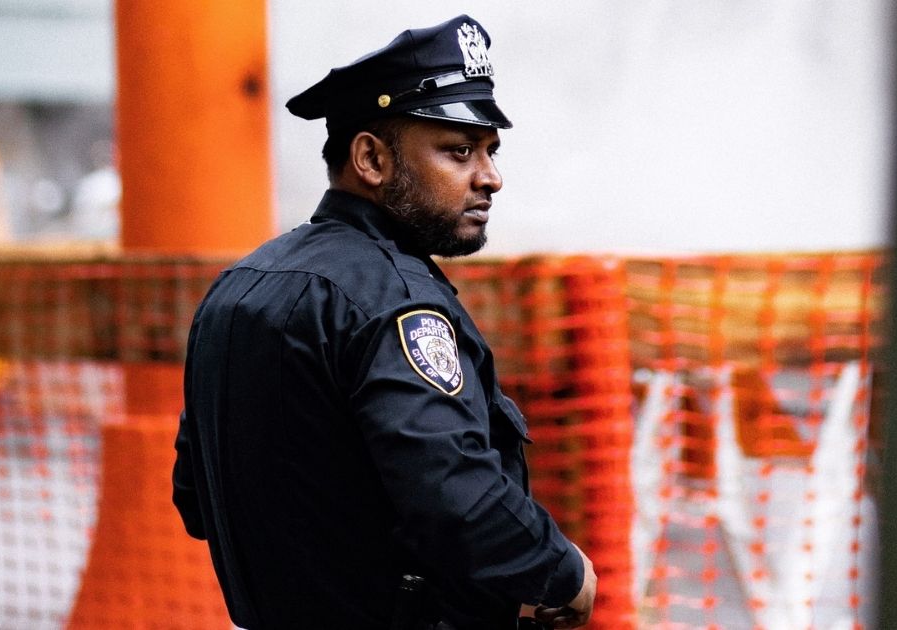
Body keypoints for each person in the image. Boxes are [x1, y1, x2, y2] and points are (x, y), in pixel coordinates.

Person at [172, 14, 597, 630]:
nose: (491, 177)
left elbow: (197, 501)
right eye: (459, 150)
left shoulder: (238, 287)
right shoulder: (395, 302)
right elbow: (456, 494)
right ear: (370, 158)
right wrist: (562, 571)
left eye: (491, 150)